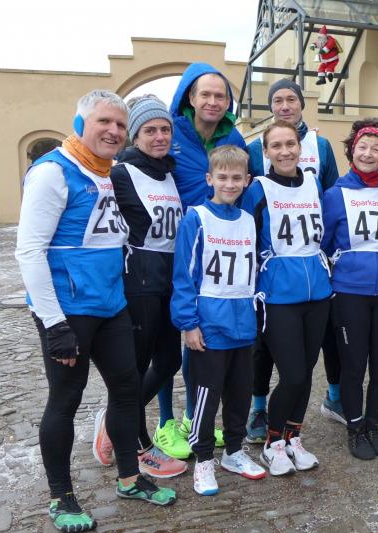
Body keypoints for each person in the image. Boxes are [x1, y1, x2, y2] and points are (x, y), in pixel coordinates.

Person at [15, 90, 176, 532]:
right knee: (65, 400)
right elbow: (29, 251)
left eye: (120, 125)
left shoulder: (105, 171)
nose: (114, 131)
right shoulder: (53, 171)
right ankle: (61, 496)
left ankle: (129, 478)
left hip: (111, 305)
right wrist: (54, 324)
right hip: (69, 311)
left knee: (126, 390)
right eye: (105, 121)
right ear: (80, 123)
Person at [156, 62, 247, 454]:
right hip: (169, 251)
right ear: (189, 98)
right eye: (205, 94)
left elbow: (246, 184)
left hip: (217, 252)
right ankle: (164, 421)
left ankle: (195, 417)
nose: (212, 101)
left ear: (228, 102)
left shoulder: (234, 137)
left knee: (200, 345)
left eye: (220, 95)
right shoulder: (170, 133)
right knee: (166, 347)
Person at [245, 79, 341, 444]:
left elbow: (327, 223)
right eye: (276, 146)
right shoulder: (257, 189)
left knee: (306, 370)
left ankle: (293, 439)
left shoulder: (314, 183)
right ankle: (273, 437)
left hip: (316, 291)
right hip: (277, 293)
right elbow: (246, 239)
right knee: (294, 374)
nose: (285, 151)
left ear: (301, 147)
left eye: (290, 145)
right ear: (265, 152)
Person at [171, 146, 267, 496]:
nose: (229, 184)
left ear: (247, 180)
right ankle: (203, 459)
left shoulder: (247, 220)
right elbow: (184, 275)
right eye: (222, 177)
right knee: (206, 396)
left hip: (243, 323)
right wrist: (188, 323)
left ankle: (234, 451)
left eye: (236, 178)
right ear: (209, 178)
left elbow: (252, 272)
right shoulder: (196, 218)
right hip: (209, 325)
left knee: (240, 393)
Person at [106, 95, 187, 476]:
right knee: (136, 369)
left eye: (165, 129)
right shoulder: (121, 173)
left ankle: (115, 419)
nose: (159, 136)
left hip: (169, 278)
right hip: (138, 280)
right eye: (150, 130)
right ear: (135, 136)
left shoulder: (168, 173)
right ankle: (138, 444)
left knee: (170, 361)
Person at [322, 119, 378, 460]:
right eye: (362, 147)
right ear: (351, 151)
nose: (369, 154)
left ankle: (373, 423)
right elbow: (324, 244)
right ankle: (355, 426)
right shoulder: (335, 194)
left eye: (377, 148)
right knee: (354, 364)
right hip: (350, 291)